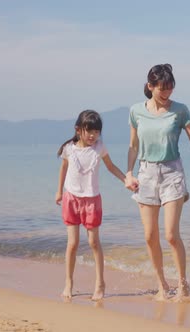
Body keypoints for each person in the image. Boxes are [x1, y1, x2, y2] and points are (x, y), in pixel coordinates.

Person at [124, 63, 190, 300]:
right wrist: (128, 173)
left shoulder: (180, 111)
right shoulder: (136, 111)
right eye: (162, 89)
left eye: (170, 88)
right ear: (150, 86)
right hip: (145, 174)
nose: (167, 94)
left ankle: (182, 284)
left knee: (170, 234)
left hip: (172, 173)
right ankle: (161, 285)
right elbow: (133, 146)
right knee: (149, 236)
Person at [55, 110, 128, 301]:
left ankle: (100, 284)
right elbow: (63, 168)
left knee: (94, 243)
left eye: (96, 132)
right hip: (71, 198)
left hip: (92, 200)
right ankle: (69, 282)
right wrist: (59, 192)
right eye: (89, 131)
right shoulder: (69, 149)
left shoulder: (99, 148)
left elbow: (111, 167)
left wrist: (126, 180)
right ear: (78, 130)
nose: (93, 135)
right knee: (73, 243)